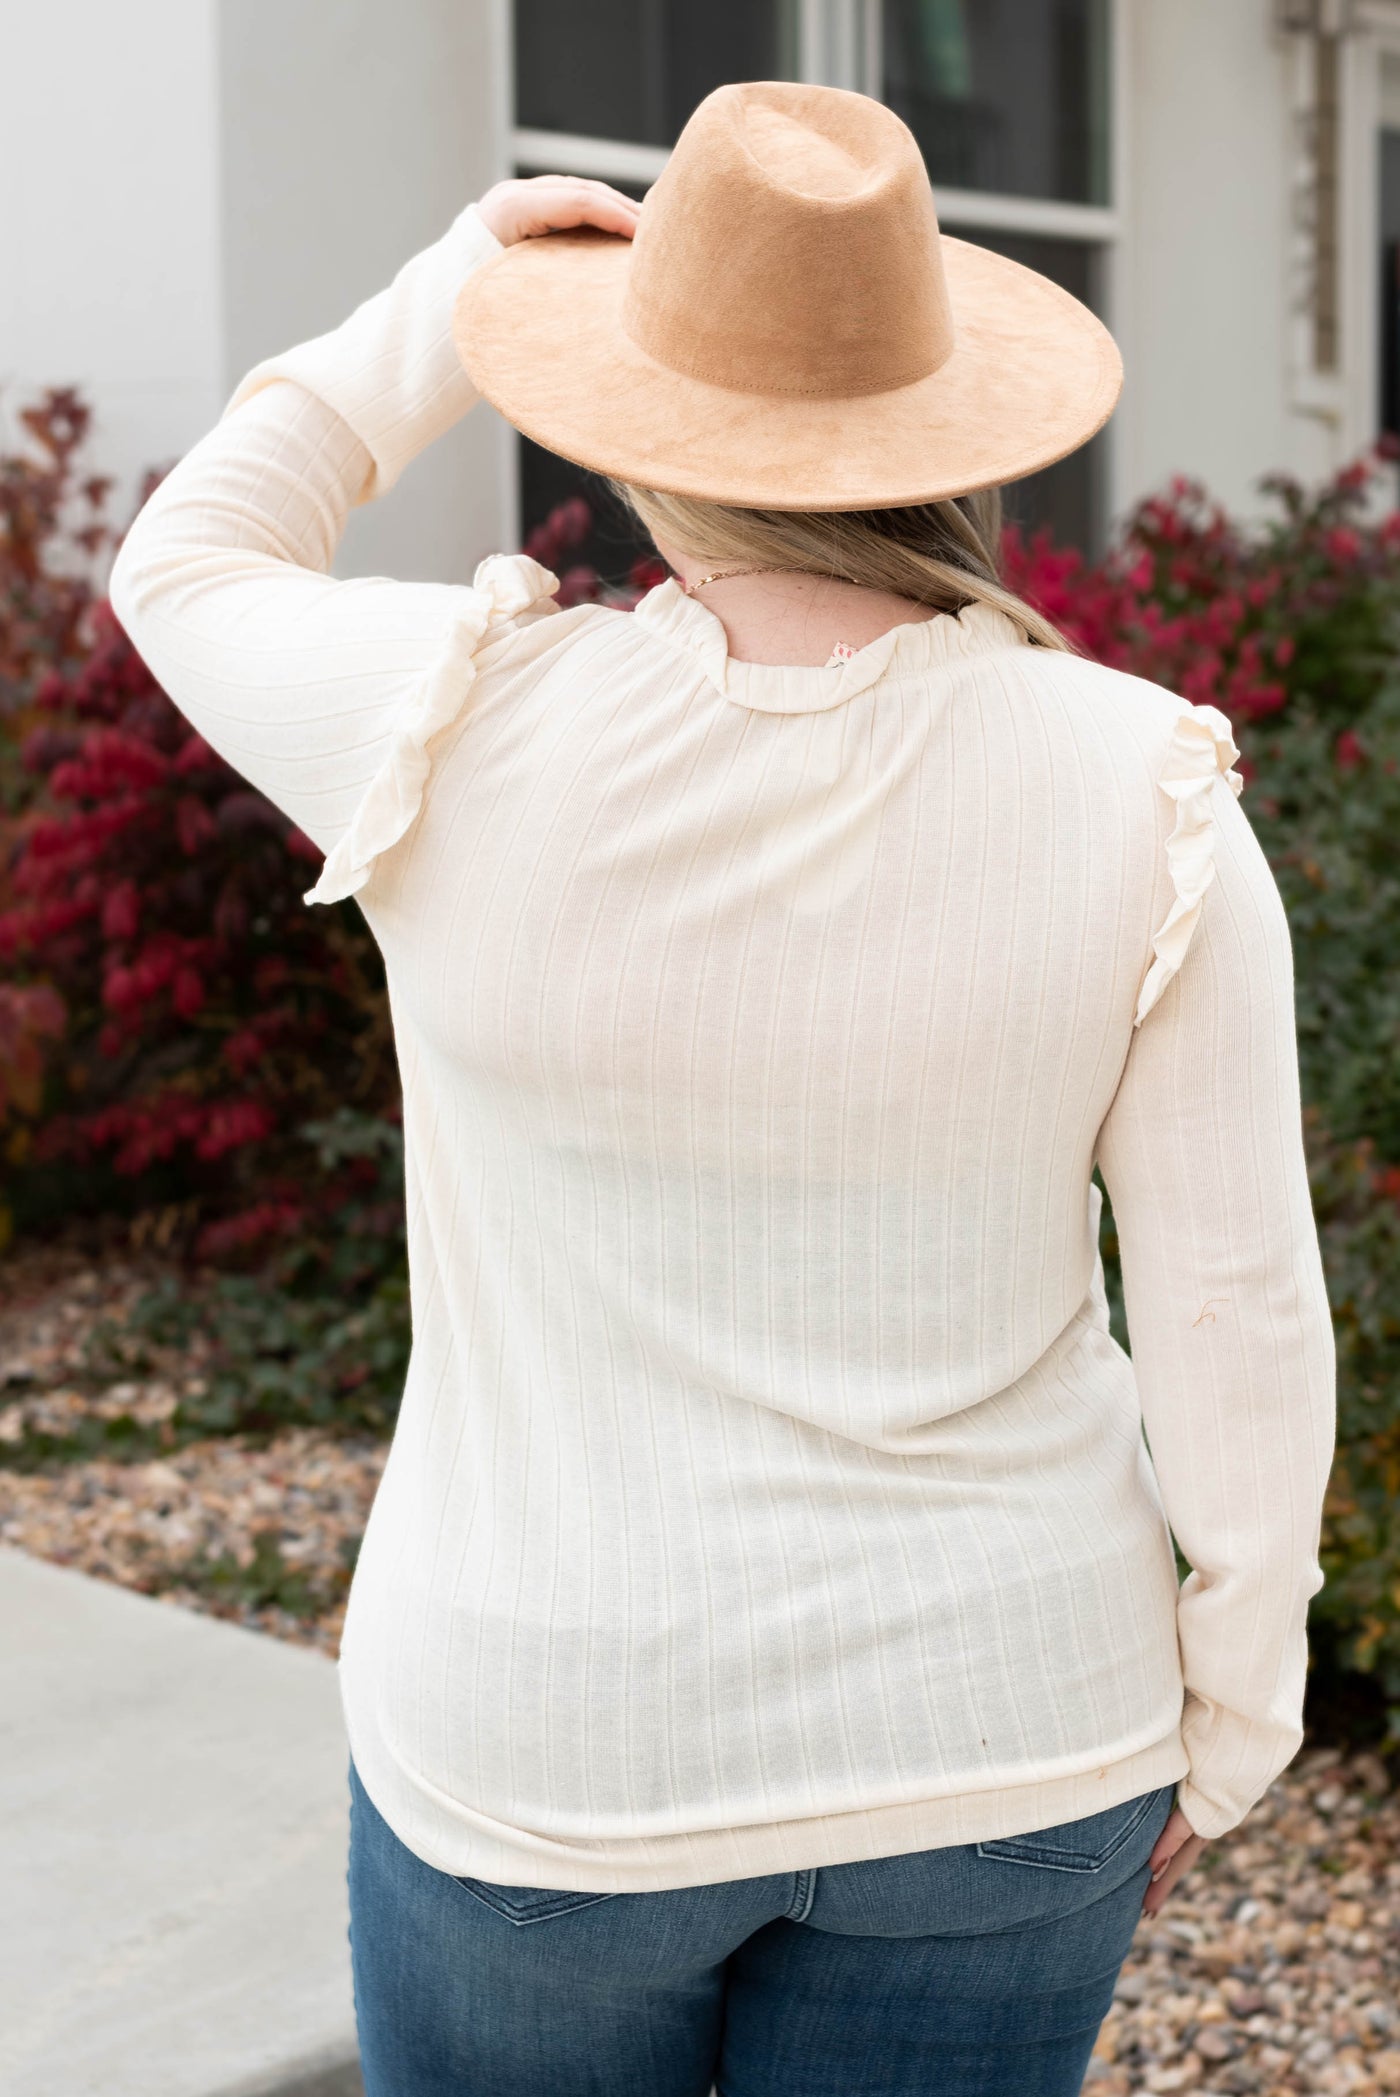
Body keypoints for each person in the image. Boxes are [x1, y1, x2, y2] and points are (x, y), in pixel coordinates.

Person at [109, 80, 1335, 2097]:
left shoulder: (454, 726)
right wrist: (1233, 1712)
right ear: (949, 429)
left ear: (631, 419)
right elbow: (1235, 1317)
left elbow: (190, 554)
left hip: (540, 1738)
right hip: (1007, 1735)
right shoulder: (1148, 791)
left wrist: (451, 290)